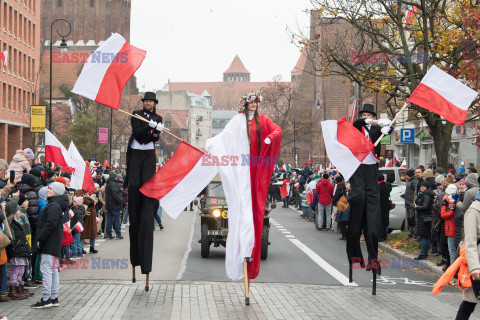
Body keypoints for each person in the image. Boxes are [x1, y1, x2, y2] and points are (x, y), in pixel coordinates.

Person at [348, 103, 393, 280]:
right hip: (358, 168)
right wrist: (368, 120)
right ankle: (356, 258)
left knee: (372, 227)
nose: (367, 117)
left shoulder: (376, 130)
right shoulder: (357, 128)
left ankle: (374, 261)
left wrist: (386, 128)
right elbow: (356, 123)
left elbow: (389, 126)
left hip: (371, 170)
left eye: (370, 115)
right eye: (365, 114)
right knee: (358, 202)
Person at [125, 92, 163, 277]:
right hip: (136, 153)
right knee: (135, 184)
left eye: (151, 101)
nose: (148, 103)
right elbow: (137, 134)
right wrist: (149, 128)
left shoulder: (158, 117)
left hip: (148, 155)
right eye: (146, 101)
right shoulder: (135, 113)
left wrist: (155, 131)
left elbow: (152, 139)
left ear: (154, 103)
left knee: (147, 185)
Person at [32, 182, 68, 308]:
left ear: (57, 191)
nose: (48, 190)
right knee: (53, 271)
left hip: (49, 243)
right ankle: (53, 297)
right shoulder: (57, 204)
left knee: (47, 270)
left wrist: (40, 238)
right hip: (54, 242)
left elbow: (50, 223)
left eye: (51, 188)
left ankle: (46, 298)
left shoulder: (53, 205)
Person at [455, 188, 480, 319]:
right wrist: (475, 268)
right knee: (469, 303)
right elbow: (470, 243)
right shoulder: (473, 210)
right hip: (477, 263)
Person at [6, 199, 30, 299]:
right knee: (16, 271)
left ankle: (19, 288)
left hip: (20, 250)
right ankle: (13, 290)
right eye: (17, 210)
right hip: (17, 251)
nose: (19, 212)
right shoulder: (10, 222)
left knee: (20, 270)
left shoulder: (16, 222)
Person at [414, 182, 434, 260]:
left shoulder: (426, 195)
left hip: (425, 218)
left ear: (427, 187)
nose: (421, 188)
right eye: (421, 186)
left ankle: (423, 253)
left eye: (423, 186)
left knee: (424, 236)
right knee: (425, 236)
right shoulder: (422, 194)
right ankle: (425, 252)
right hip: (423, 218)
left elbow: (425, 206)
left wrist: (417, 207)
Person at [441, 184, 459, 266]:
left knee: (452, 249)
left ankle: (453, 268)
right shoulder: (457, 199)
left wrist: (444, 206)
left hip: (450, 227)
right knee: (454, 249)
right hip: (453, 227)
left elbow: (443, 215)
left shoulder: (448, 201)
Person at [105, 172, 124, 240]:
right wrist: (120, 201)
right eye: (116, 177)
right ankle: (118, 234)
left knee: (109, 220)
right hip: (115, 205)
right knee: (117, 220)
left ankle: (108, 234)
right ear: (114, 177)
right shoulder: (114, 184)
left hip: (109, 205)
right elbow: (115, 194)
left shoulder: (108, 184)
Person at [378, 174, 392, 242]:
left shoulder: (378, 187)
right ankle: (385, 235)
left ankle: (380, 236)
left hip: (380, 206)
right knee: (385, 221)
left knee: (380, 221)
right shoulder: (387, 186)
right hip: (386, 205)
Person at [403, 169, 416, 237]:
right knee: (409, 218)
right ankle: (410, 230)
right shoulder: (409, 181)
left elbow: (414, 192)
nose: (406, 176)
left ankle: (413, 231)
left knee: (412, 217)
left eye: (407, 175)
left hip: (411, 202)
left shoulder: (413, 182)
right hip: (407, 202)